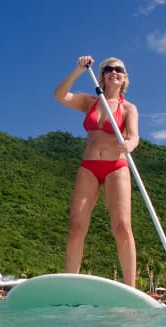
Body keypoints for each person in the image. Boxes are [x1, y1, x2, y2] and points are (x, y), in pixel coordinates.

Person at [53, 55, 140, 287]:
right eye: (109, 69)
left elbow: (134, 136)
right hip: (89, 166)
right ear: (101, 75)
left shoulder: (129, 108)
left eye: (119, 69)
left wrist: (129, 144)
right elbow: (59, 95)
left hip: (116, 167)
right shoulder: (90, 101)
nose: (114, 72)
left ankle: (130, 288)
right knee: (76, 227)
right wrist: (78, 70)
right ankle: (70, 284)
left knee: (122, 227)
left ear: (124, 77)